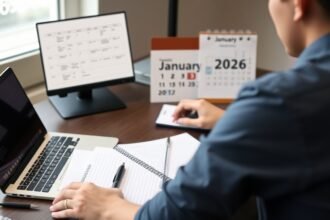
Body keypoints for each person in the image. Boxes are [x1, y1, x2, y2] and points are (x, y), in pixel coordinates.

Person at [50, 0, 330, 219]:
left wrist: (107, 207)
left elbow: (175, 213)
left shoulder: (279, 101)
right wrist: (237, 122)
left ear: (298, 4)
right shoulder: (290, 104)